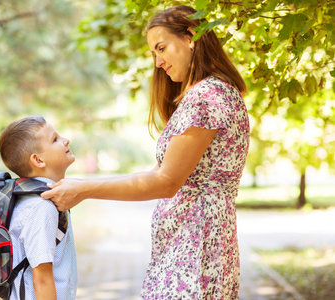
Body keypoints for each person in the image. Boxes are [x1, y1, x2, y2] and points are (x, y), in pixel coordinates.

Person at [42, 5, 249, 299]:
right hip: (192, 244)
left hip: (197, 246)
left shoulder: (207, 96)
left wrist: (85, 189)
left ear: (191, 35)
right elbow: (157, 174)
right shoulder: (210, 93)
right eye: (154, 52)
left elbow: (166, 182)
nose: (158, 62)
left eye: (161, 48)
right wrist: (82, 186)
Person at [0, 116, 77, 300]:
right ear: (38, 160)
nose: (66, 140)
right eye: (55, 139)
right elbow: (41, 278)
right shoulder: (41, 207)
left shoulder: (38, 200)